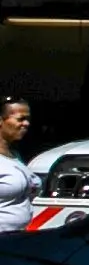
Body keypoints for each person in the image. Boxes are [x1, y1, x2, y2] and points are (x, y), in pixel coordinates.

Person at [0, 93, 35, 221]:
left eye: (28, 119)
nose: (26, 123)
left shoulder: (15, 155)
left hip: (21, 232)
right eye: (21, 119)